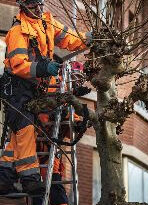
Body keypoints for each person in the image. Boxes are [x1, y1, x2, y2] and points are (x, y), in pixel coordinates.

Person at [0, 0, 91, 195]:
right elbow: (18, 65)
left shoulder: (47, 23)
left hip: (33, 88)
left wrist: (88, 39)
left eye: (40, 4)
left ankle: (4, 176)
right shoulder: (18, 32)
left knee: (19, 135)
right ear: (23, 7)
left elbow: (69, 38)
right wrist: (43, 68)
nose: (39, 9)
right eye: (34, 6)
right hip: (17, 89)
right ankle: (29, 179)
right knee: (24, 130)